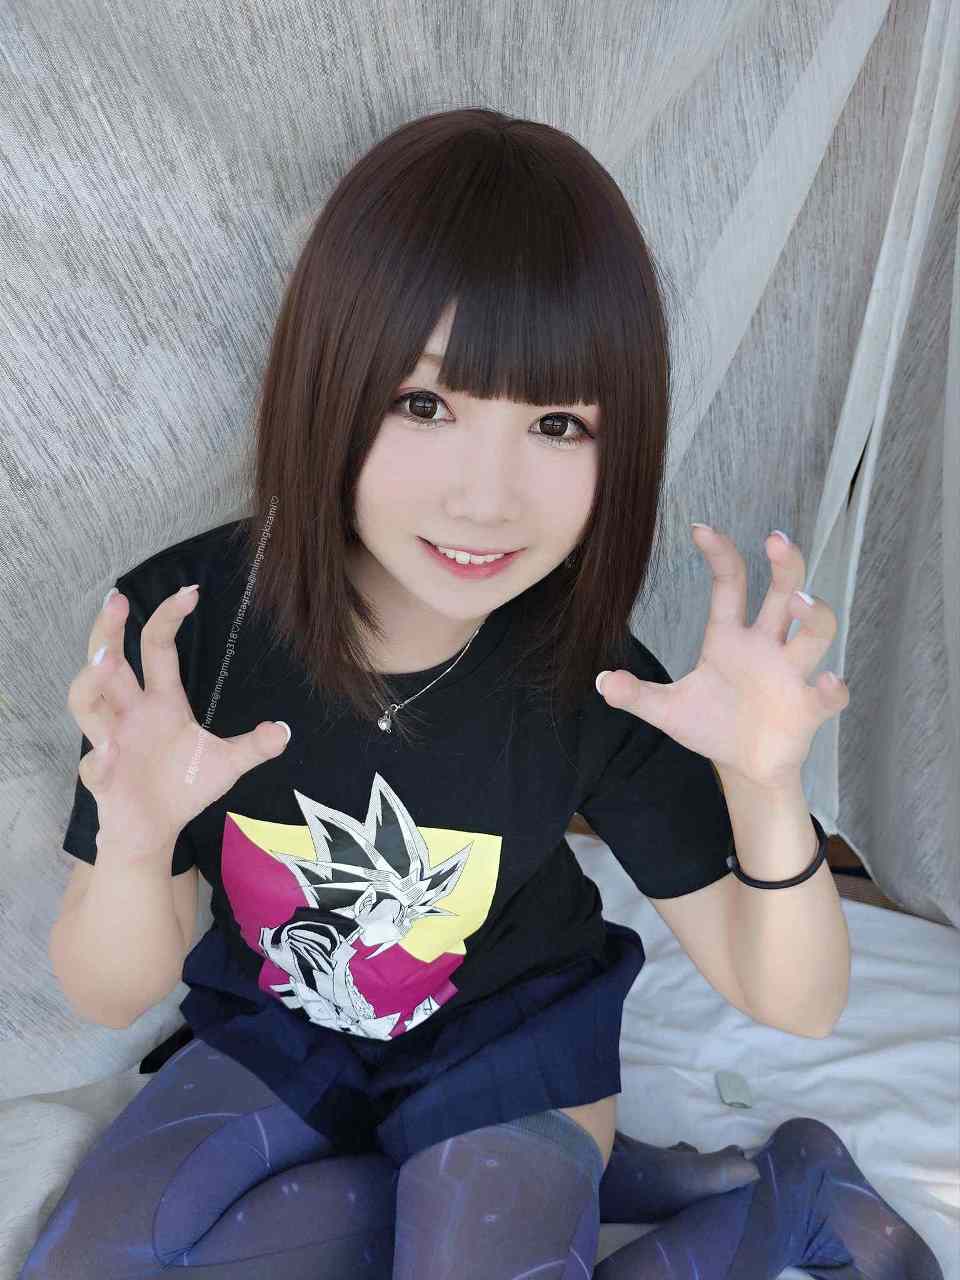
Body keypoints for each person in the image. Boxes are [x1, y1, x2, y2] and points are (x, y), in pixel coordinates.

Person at [22, 107, 943, 1279]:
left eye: (556, 424)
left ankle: (791, 1194)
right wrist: (137, 836)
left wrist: (766, 785)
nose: (487, 497)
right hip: (278, 1031)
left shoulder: (590, 674)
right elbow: (113, 993)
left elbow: (796, 1000)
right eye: (426, 405)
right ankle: (561, 1185)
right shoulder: (188, 627)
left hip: (510, 1049)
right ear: (328, 384)